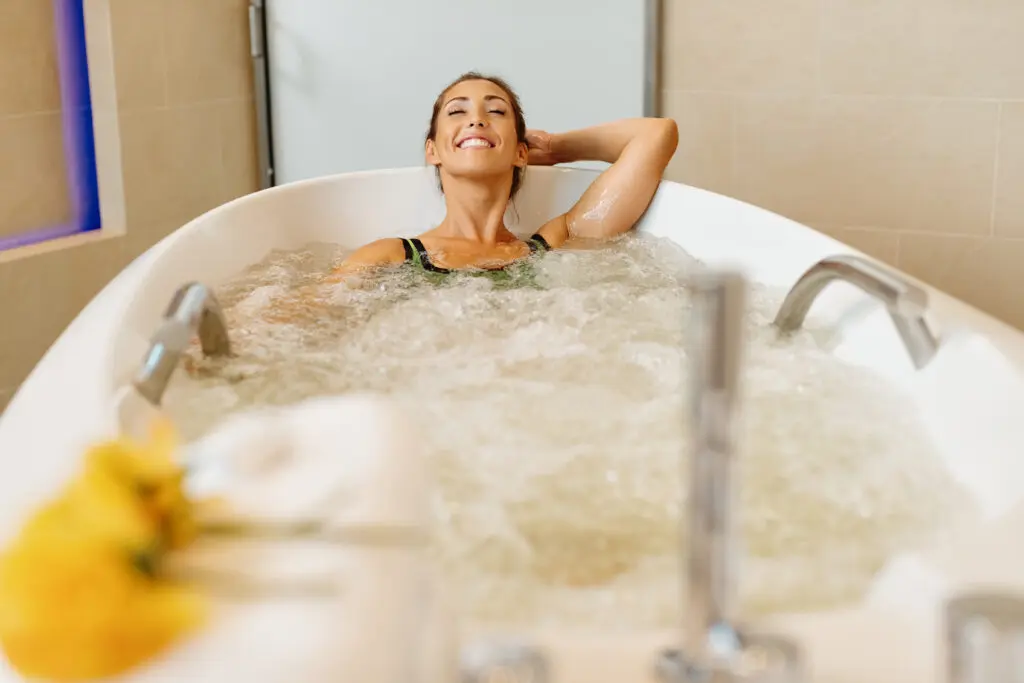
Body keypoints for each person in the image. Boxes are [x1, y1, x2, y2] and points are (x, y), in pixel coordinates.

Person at [326, 71, 679, 280]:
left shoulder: (556, 244)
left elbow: (656, 135)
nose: (476, 120)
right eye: (456, 111)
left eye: (495, 110)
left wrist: (555, 148)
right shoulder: (391, 257)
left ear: (520, 151)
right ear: (432, 150)